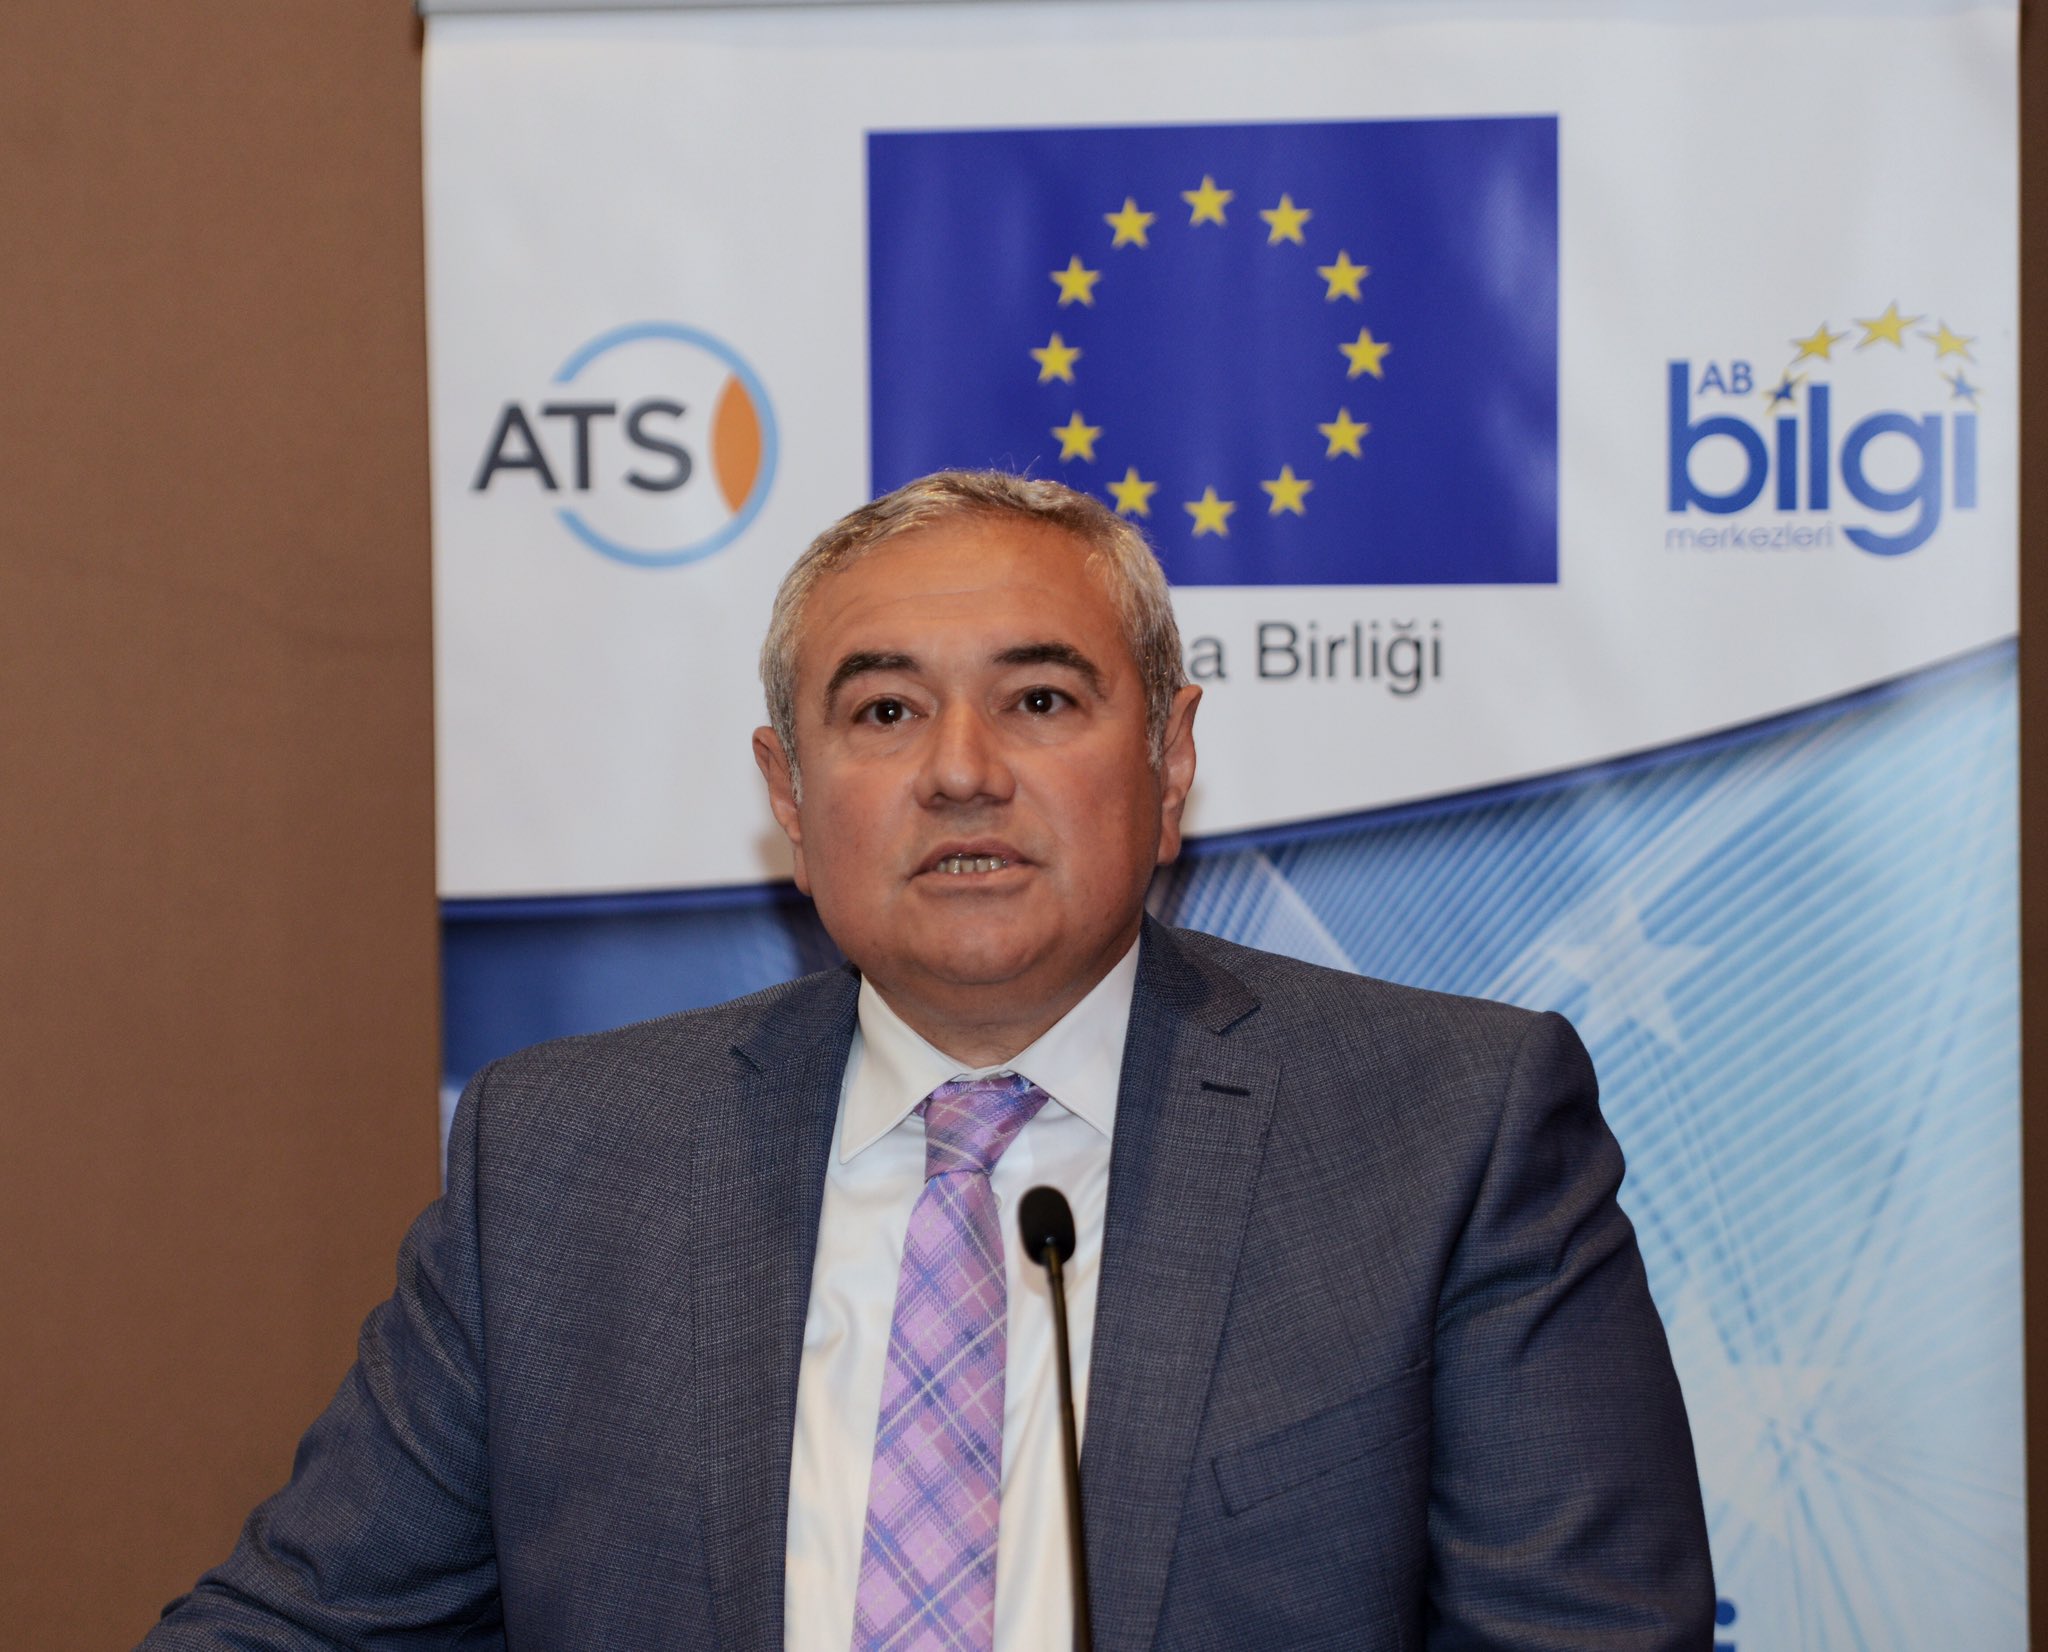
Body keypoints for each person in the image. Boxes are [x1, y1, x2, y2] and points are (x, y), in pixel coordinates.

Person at [143, 471, 1713, 1650]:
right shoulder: (564, 1158)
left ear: (1169, 761)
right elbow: (300, 1626)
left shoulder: (1445, 1132)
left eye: (1040, 699)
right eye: (885, 710)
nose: (962, 773)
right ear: (790, 794)